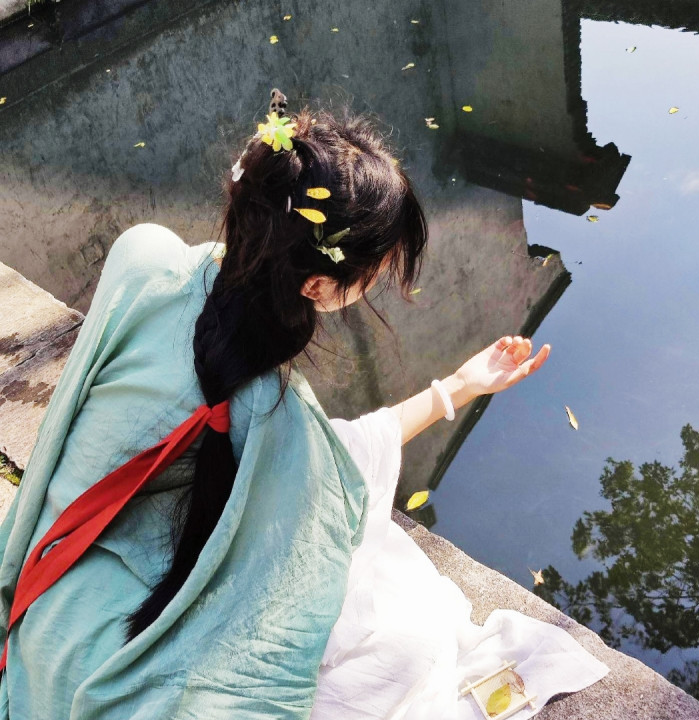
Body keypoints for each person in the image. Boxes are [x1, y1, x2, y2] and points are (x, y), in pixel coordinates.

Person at [0, 96, 605, 720]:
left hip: (40, 609)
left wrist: (457, 386)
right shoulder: (281, 424)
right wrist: (457, 388)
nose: (377, 285)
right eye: (374, 274)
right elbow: (331, 471)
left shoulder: (144, 261)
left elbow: (326, 455)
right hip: (103, 682)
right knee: (411, 645)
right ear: (316, 285)